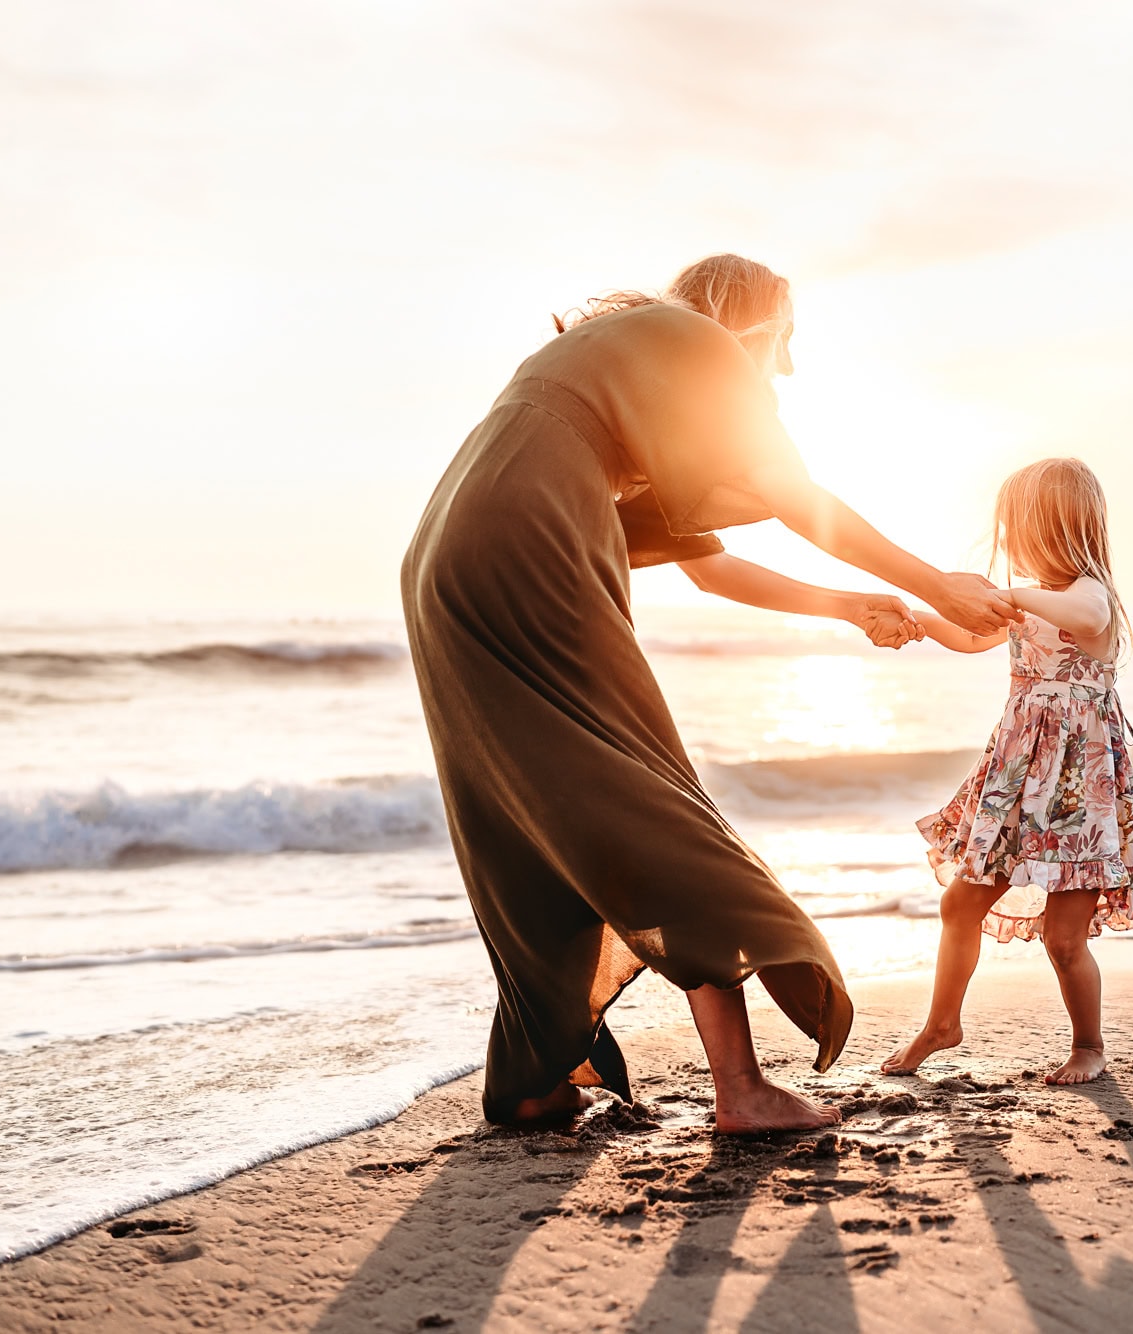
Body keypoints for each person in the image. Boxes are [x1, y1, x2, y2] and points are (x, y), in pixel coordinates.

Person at [402, 254, 1017, 1133]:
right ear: (751, 321)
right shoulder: (693, 337)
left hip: (447, 557)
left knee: (536, 812)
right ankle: (742, 1089)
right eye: (788, 341)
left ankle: (536, 1075)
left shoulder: (617, 367)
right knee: (647, 790)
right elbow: (794, 494)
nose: (789, 368)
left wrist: (846, 607)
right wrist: (936, 584)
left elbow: (712, 568)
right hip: (526, 545)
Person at [881, 458, 1133, 1085]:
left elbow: (1087, 619)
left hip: (1081, 790)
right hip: (1015, 778)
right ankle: (942, 1025)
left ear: (1057, 527)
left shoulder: (1088, 591)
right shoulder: (1027, 600)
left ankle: (1088, 1045)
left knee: (1063, 936)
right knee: (958, 903)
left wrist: (1006, 595)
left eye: (1019, 529)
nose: (1011, 545)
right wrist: (922, 621)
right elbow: (972, 637)